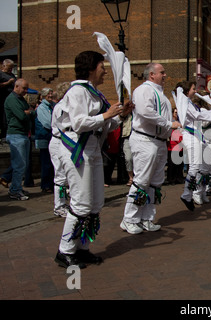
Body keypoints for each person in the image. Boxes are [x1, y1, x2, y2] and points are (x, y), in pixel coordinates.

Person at [54, 51, 131, 268]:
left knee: (95, 203)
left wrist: (120, 115)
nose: (105, 71)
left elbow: (106, 125)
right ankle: (65, 250)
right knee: (81, 202)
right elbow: (78, 123)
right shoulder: (78, 91)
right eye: (102, 66)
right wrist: (107, 114)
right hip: (77, 149)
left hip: (93, 148)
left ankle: (82, 248)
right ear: (91, 68)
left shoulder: (95, 93)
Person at [121, 63, 180, 234]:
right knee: (141, 181)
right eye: (162, 72)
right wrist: (169, 124)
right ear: (151, 74)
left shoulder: (161, 94)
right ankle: (129, 219)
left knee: (154, 182)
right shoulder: (143, 90)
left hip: (159, 142)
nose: (165, 75)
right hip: (145, 140)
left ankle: (146, 217)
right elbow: (145, 111)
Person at [179, 81, 211, 209]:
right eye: (192, 88)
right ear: (186, 91)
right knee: (195, 167)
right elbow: (198, 115)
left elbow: (200, 113)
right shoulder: (185, 103)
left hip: (195, 136)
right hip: (190, 135)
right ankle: (188, 194)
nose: (195, 91)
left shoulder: (189, 103)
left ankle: (188, 194)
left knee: (196, 167)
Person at [4, 78, 35, 200]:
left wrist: (29, 112)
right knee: (19, 164)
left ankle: (17, 187)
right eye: (24, 88)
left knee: (23, 164)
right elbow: (22, 116)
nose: (26, 91)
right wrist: (28, 113)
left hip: (23, 134)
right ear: (16, 86)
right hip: (16, 134)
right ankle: (15, 190)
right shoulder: (12, 99)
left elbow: (30, 112)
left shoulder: (20, 99)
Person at [49, 82, 71, 217]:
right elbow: (62, 126)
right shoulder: (61, 106)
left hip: (63, 142)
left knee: (64, 176)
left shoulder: (65, 105)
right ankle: (59, 206)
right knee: (60, 176)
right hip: (58, 142)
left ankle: (63, 202)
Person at [35, 87, 55, 193]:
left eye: (51, 94)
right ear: (43, 96)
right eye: (48, 94)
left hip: (50, 138)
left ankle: (50, 184)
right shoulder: (42, 107)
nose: (51, 96)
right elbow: (47, 123)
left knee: (51, 163)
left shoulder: (51, 106)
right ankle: (45, 185)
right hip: (44, 138)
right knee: (46, 163)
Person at [166, 107, 184, 185]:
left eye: (178, 113)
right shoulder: (172, 123)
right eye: (175, 113)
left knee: (179, 164)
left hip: (180, 146)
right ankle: (171, 179)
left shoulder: (181, 122)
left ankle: (179, 178)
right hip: (172, 146)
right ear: (173, 113)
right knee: (172, 164)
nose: (177, 114)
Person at [0, 59, 16, 141]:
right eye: (9, 68)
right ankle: (3, 135)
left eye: (12, 68)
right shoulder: (1, 74)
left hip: (12, 100)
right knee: (3, 117)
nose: (10, 70)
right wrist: (8, 83)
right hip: (3, 99)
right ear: (4, 66)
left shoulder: (12, 75)